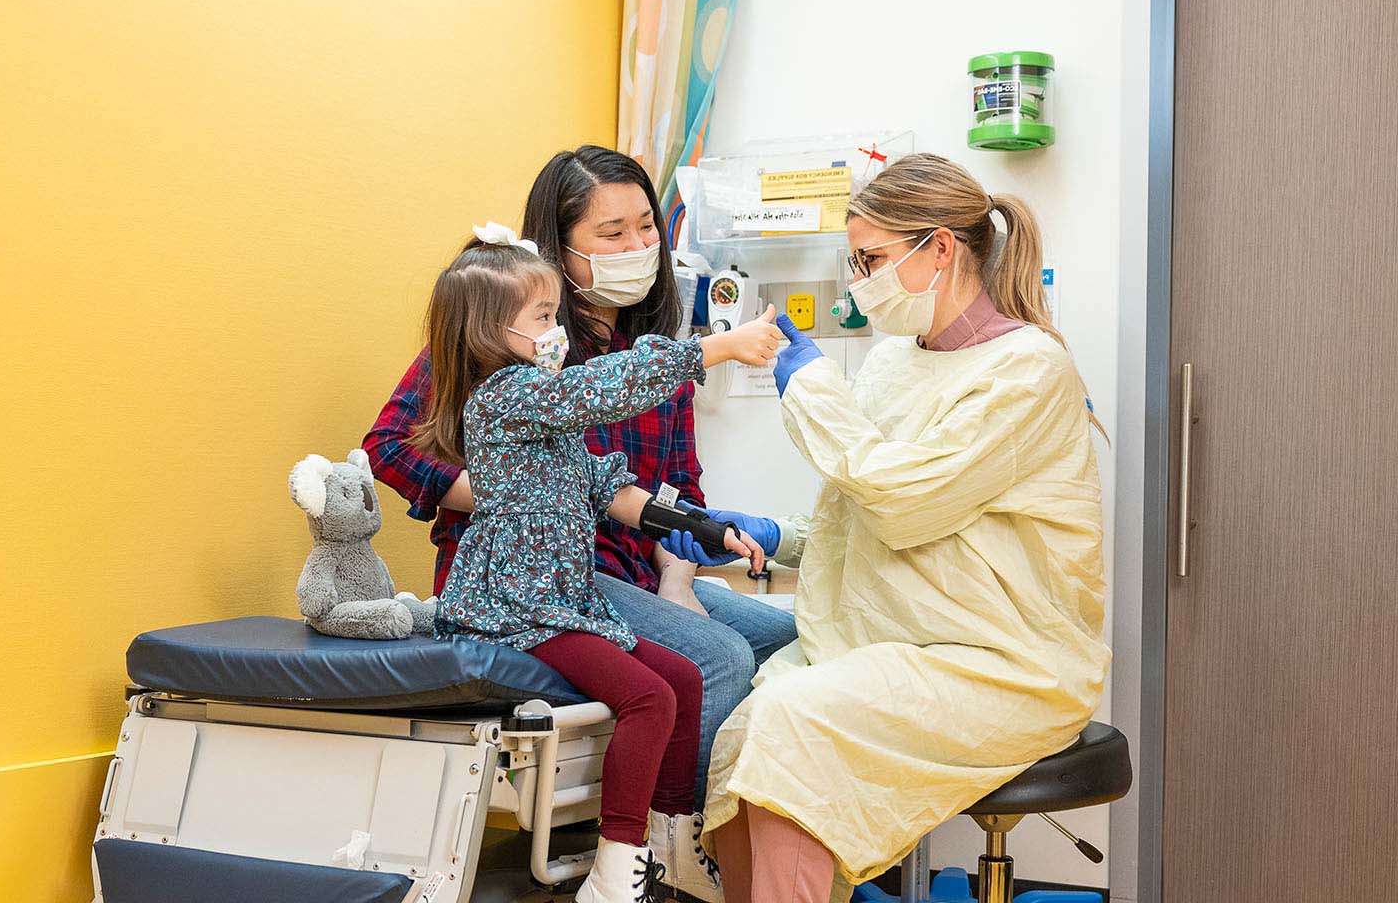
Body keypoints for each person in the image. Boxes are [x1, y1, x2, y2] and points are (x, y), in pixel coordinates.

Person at [366, 145, 798, 903]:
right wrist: (511, 491)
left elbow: (655, 487)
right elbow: (389, 446)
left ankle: (717, 833)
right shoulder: (511, 343)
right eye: (611, 234)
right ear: (559, 250)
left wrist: (683, 565)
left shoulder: (640, 350)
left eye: (645, 231)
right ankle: (669, 850)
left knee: (784, 638)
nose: (637, 249)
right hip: (535, 578)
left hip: (630, 569)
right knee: (721, 658)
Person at [702, 153, 1112, 903]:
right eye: (853, 260)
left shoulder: (1027, 370)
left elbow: (905, 501)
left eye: (873, 259)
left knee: (793, 725)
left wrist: (816, 395)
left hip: (1002, 658)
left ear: (942, 248)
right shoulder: (894, 361)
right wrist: (772, 533)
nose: (860, 280)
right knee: (741, 737)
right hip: (891, 640)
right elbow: (858, 504)